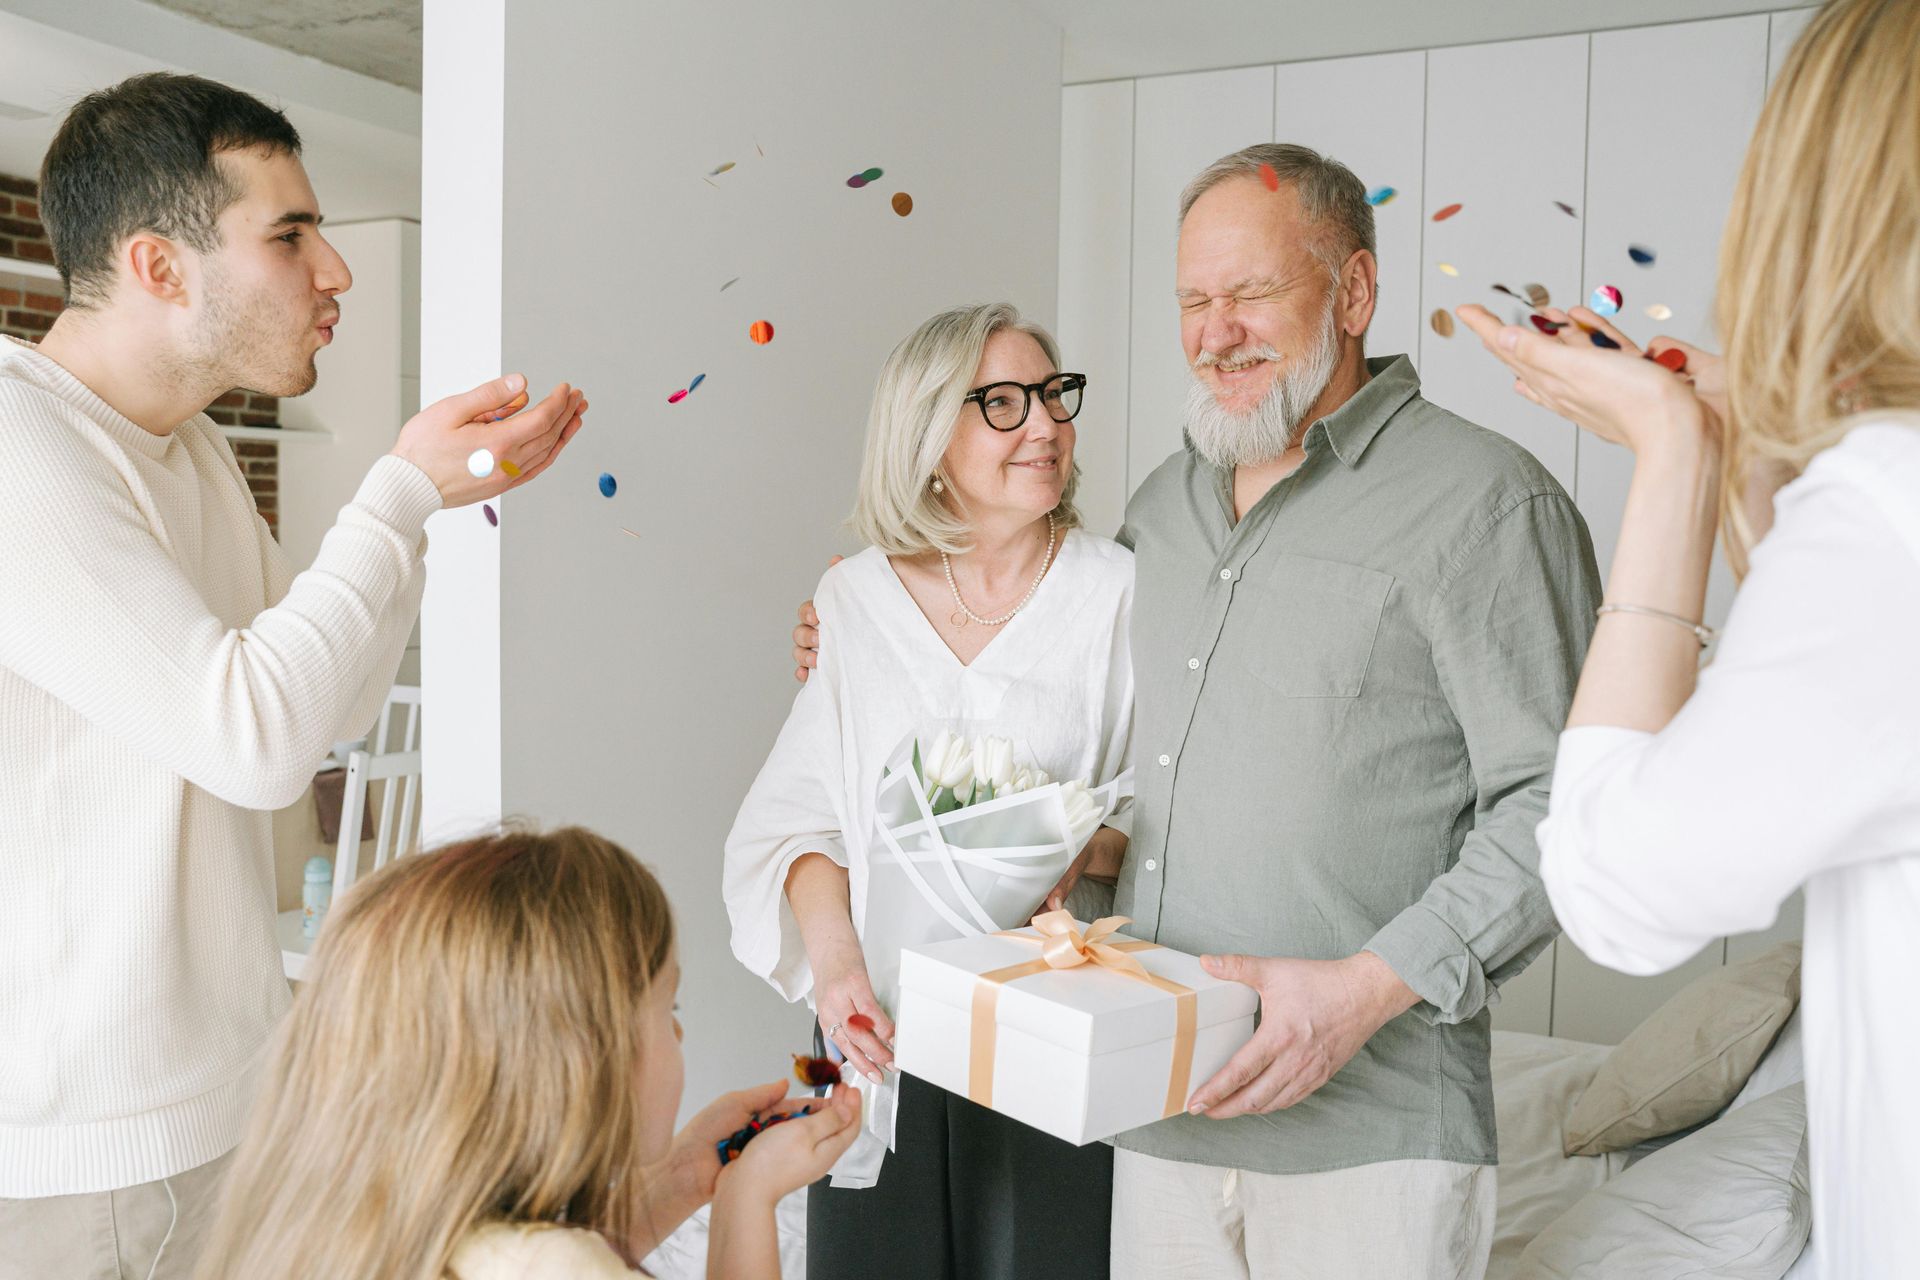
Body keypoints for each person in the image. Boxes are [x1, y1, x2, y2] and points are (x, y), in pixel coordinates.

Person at [795, 145, 1602, 1277]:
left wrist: (1367, 990)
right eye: (1194, 301)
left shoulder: (1485, 502)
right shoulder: (1159, 513)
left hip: (1366, 1141)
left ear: (1355, 292)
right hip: (1151, 1122)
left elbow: (1571, 808)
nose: (1216, 332)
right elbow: (1085, 729)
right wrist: (869, 630)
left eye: (1253, 293)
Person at [0, 72, 585, 1278]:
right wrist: (402, 488)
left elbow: (327, 706)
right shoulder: (20, 446)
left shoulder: (186, 443)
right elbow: (256, 737)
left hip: (218, 1099)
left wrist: (422, 509)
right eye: (291, 235)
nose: (337, 272)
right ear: (159, 266)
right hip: (91, 1149)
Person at [1458, 0, 1920, 1271]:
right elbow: (1853, 710)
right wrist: (1756, 455)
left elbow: (1614, 889)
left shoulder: (1890, 504)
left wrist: (1673, 451)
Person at [726, 302, 1134, 1279]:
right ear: (929, 436)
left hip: (1047, 1026)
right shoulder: (852, 601)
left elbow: (1154, 820)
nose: (1044, 423)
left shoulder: (1121, 594)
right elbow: (802, 823)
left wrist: (1070, 849)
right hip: (866, 1020)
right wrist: (837, 980)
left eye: (1053, 395)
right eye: (1002, 402)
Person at [193, 825, 860, 1278]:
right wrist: (747, 1200)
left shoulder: (371, 1225)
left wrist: (687, 1177)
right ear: (584, 1061)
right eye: (669, 1010)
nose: (679, 1035)